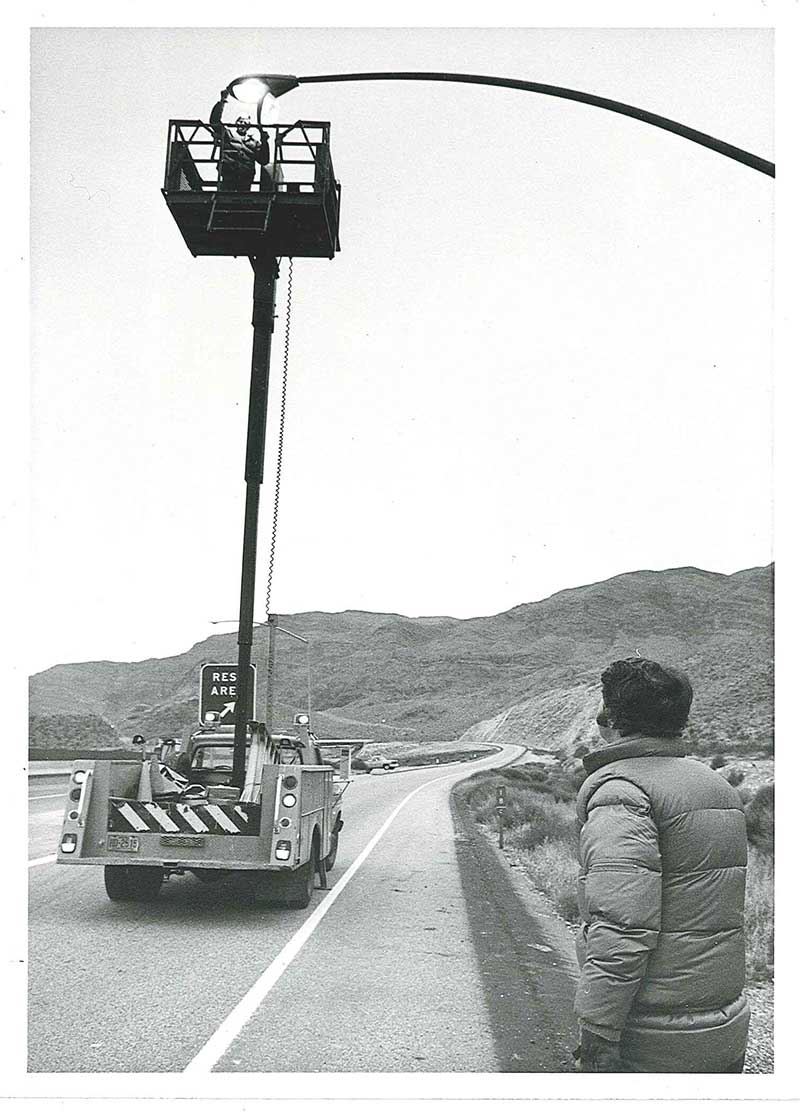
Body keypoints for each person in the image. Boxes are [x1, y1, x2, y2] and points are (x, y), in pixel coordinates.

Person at [574, 657, 749, 1073]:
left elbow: (622, 925)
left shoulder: (622, 792)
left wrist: (598, 1029)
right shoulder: (714, 784)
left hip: (651, 1034)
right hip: (723, 1021)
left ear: (608, 718)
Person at [209, 91, 271, 192]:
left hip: (245, 179)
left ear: (249, 126)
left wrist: (265, 141)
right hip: (228, 177)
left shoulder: (254, 143)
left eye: (245, 122)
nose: (242, 124)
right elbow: (214, 122)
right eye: (240, 121)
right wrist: (222, 101)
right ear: (236, 123)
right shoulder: (228, 135)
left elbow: (264, 160)